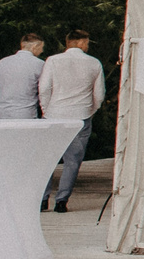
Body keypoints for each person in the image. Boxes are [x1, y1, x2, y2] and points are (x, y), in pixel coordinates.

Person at [38, 28, 104, 213]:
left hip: (54, 113)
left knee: (48, 158)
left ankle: (43, 199)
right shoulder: (94, 63)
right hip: (80, 114)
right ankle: (62, 200)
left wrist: (46, 109)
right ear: (81, 43)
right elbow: (99, 94)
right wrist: (90, 110)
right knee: (73, 160)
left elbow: (44, 88)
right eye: (87, 42)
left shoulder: (53, 61)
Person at [0, 33, 47, 119]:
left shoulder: (2, 63)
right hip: (26, 113)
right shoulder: (40, 64)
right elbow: (46, 89)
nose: (42, 51)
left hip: (2, 114)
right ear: (35, 47)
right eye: (41, 47)